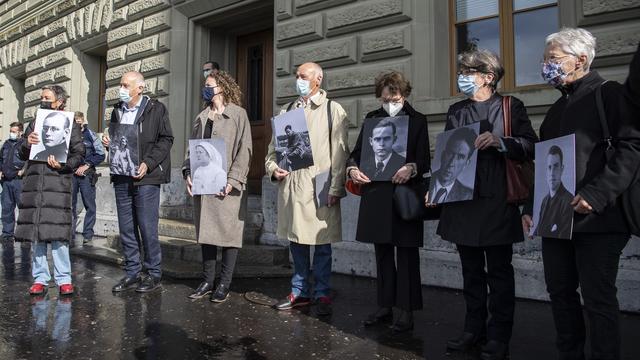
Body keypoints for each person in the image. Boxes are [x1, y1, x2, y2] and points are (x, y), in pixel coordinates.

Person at [521, 28, 640, 360]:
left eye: (553, 59)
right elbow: (544, 163)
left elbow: (632, 149)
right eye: (545, 59)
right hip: (556, 220)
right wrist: (531, 209)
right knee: (560, 292)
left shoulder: (610, 95)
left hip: (599, 221)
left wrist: (597, 194)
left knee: (598, 298)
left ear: (581, 59)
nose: (546, 66)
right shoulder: (557, 110)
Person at [427, 49, 537, 360]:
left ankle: (499, 336)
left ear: (488, 77)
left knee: (499, 273)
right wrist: (436, 187)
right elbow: (447, 154)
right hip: (462, 201)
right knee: (471, 272)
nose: (461, 76)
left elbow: (531, 144)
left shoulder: (510, 106)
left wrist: (501, 142)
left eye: (468, 71)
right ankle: (473, 329)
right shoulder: (456, 110)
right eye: (461, 70)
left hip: (497, 200)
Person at [346, 71, 429, 332]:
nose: (388, 103)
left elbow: (424, 159)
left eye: (392, 98)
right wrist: (352, 170)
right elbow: (356, 154)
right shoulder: (372, 119)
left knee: (406, 254)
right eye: (383, 98)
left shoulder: (417, 121)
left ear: (403, 95)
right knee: (382, 253)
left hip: (404, 196)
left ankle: (407, 310)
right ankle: (385, 305)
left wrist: (411, 168)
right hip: (376, 197)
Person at [265, 62, 349, 316]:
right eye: (297, 76)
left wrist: (336, 186)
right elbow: (272, 152)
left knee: (322, 243)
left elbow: (340, 152)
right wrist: (273, 169)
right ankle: (299, 291)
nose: (298, 80)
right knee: (297, 243)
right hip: (293, 187)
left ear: (318, 79)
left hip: (320, 185)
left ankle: (322, 292)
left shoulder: (333, 110)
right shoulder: (287, 110)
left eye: (303, 76)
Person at [182, 70, 252, 302]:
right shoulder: (201, 116)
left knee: (229, 235)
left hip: (228, 185)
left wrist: (233, 181)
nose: (206, 88)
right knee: (207, 234)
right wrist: (188, 173)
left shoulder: (238, 115)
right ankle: (206, 280)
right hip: (204, 184)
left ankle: (224, 283)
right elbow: (192, 149)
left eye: (209, 85)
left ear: (222, 87)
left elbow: (245, 150)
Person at [103, 71, 174, 293]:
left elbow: (166, 139)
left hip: (146, 177)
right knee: (126, 227)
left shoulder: (156, 109)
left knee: (146, 226)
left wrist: (148, 163)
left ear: (140, 88)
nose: (121, 89)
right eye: (120, 85)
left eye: (125, 85)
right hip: (122, 176)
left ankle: (153, 273)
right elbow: (121, 141)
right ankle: (132, 272)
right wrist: (109, 143)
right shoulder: (117, 110)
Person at [15, 84, 85, 296]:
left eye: (47, 97)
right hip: (35, 187)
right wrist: (27, 143)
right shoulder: (35, 121)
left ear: (59, 101)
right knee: (36, 234)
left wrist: (63, 166)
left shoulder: (70, 123)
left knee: (57, 235)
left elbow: (79, 153)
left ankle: (64, 278)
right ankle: (40, 278)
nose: (43, 100)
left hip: (57, 185)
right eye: (42, 97)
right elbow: (21, 152)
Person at [71, 112, 105, 245]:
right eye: (75, 120)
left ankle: (88, 234)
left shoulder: (91, 134)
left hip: (87, 174)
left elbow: (100, 154)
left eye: (79, 120)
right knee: (70, 206)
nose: (77, 122)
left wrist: (87, 165)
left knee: (90, 205)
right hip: (71, 174)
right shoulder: (68, 135)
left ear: (83, 120)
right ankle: (70, 234)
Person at [532, 145, 573, 239]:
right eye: (549, 167)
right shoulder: (544, 201)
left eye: (556, 166)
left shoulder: (568, 200)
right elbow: (538, 230)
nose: (552, 172)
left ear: (562, 169)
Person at [429, 127, 477, 203]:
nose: (451, 163)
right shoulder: (424, 183)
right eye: (450, 153)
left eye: (460, 157)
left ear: (466, 163)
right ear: (443, 155)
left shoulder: (468, 195)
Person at [0, 122, 26, 241]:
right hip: (6, 180)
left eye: (14, 131)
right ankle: (7, 233)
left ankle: (23, 234)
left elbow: (30, 160)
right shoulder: (6, 144)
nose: (12, 133)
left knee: (23, 207)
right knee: (7, 208)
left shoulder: (24, 144)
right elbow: (1, 159)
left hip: (19, 180)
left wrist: (24, 170)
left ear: (20, 132)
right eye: (11, 131)